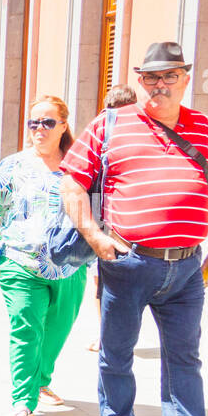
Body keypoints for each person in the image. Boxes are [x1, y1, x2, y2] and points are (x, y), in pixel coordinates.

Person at [60, 40, 208, 416]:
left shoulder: (203, 128)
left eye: (169, 76)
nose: (159, 85)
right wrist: (95, 236)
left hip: (188, 266)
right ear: (140, 81)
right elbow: (71, 183)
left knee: (184, 356)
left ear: (185, 79)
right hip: (129, 262)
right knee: (116, 352)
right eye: (151, 77)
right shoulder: (111, 123)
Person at [0, 95, 87, 416]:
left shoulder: (80, 165)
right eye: (34, 123)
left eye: (47, 122)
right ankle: (23, 399)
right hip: (20, 262)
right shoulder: (13, 165)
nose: (39, 129)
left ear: (63, 125)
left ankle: (41, 378)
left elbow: (96, 213)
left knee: (58, 331)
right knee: (26, 327)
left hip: (70, 265)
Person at [87, 84, 140, 352]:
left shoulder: (99, 128)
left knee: (101, 274)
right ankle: (111, 333)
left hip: (101, 210)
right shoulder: (135, 128)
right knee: (113, 275)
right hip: (121, 214)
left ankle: (104, 332)